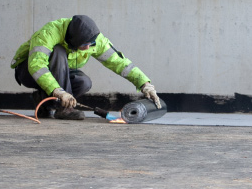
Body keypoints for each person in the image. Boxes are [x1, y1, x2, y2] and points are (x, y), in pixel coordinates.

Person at [11, 13, 162, 120]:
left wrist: (144, 84)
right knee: (58, 51)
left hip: (58, 74)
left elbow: (120, 63)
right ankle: (64, 109)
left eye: (91, 44)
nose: (88, 47)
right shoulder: (49, 32)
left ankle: (45, 101)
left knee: (84, 82)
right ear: (72, 40)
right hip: (28, 72)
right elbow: (36, 65)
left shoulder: (97, 40)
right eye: (84, 44)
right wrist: (59, 91)